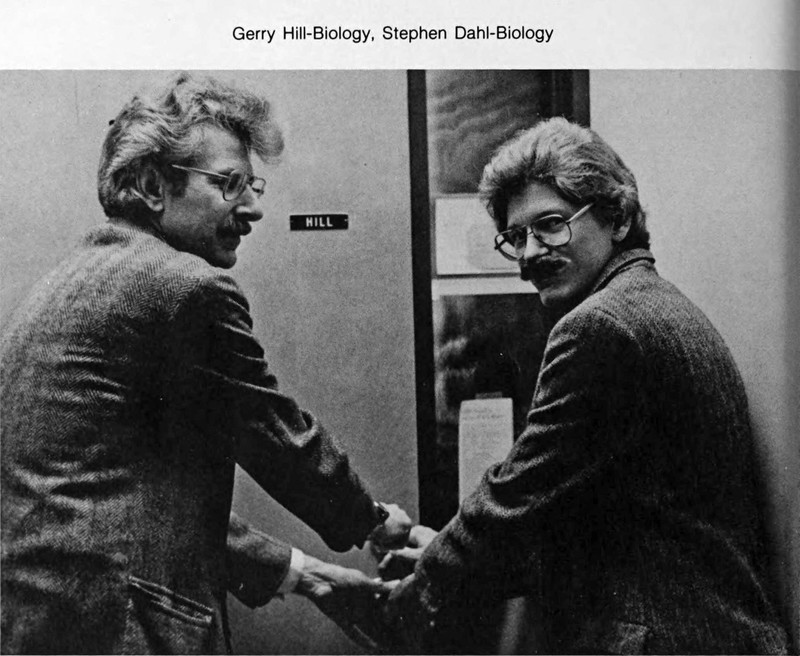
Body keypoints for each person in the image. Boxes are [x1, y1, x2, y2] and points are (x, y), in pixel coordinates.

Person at [0, 72, 411, 654]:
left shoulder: (62, 286)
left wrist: (309, 577)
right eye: (229, 184)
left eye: (252, 186)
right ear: (152, 185)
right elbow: (276, 434)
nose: (252, 209)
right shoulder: (184, 288)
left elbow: (123, 512)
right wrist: (373, 522)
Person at [382, 117, 789, 654]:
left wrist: (427, 583)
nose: (529, 254)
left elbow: (517, 489)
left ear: (616, 218)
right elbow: (604, 528)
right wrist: (445, 555)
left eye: (551, 225)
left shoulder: (600, 326)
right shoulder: (655, 304)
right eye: (516, 237)